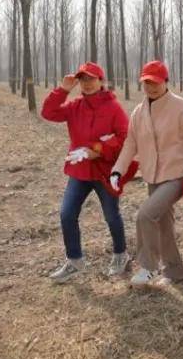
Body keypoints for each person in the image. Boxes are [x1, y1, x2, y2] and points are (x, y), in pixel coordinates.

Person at [111, 60, 183, 288]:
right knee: (163, 223)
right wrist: (117, 170)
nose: (151, 87)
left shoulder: (180, 106)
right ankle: (175, 272)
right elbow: (130, 143)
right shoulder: (139, 111)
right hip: (153, 175)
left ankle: (148, 268)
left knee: (145, 215)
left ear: (166, 81)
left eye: (155, 82)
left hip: (177, 174)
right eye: (146, 83)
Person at [41, 62, 130, 283]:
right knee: (67, 214)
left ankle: (121, 255)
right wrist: (62, 90)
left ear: (101, 81)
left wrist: (97, 150)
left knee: (111, 215)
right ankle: (75, 261)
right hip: (79, 171)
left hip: (104, 171)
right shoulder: (75, 106)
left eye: (91, 79)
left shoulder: (114, 108)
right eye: (83, 80)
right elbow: (48, 113)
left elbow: (124, 137)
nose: (87, 84)